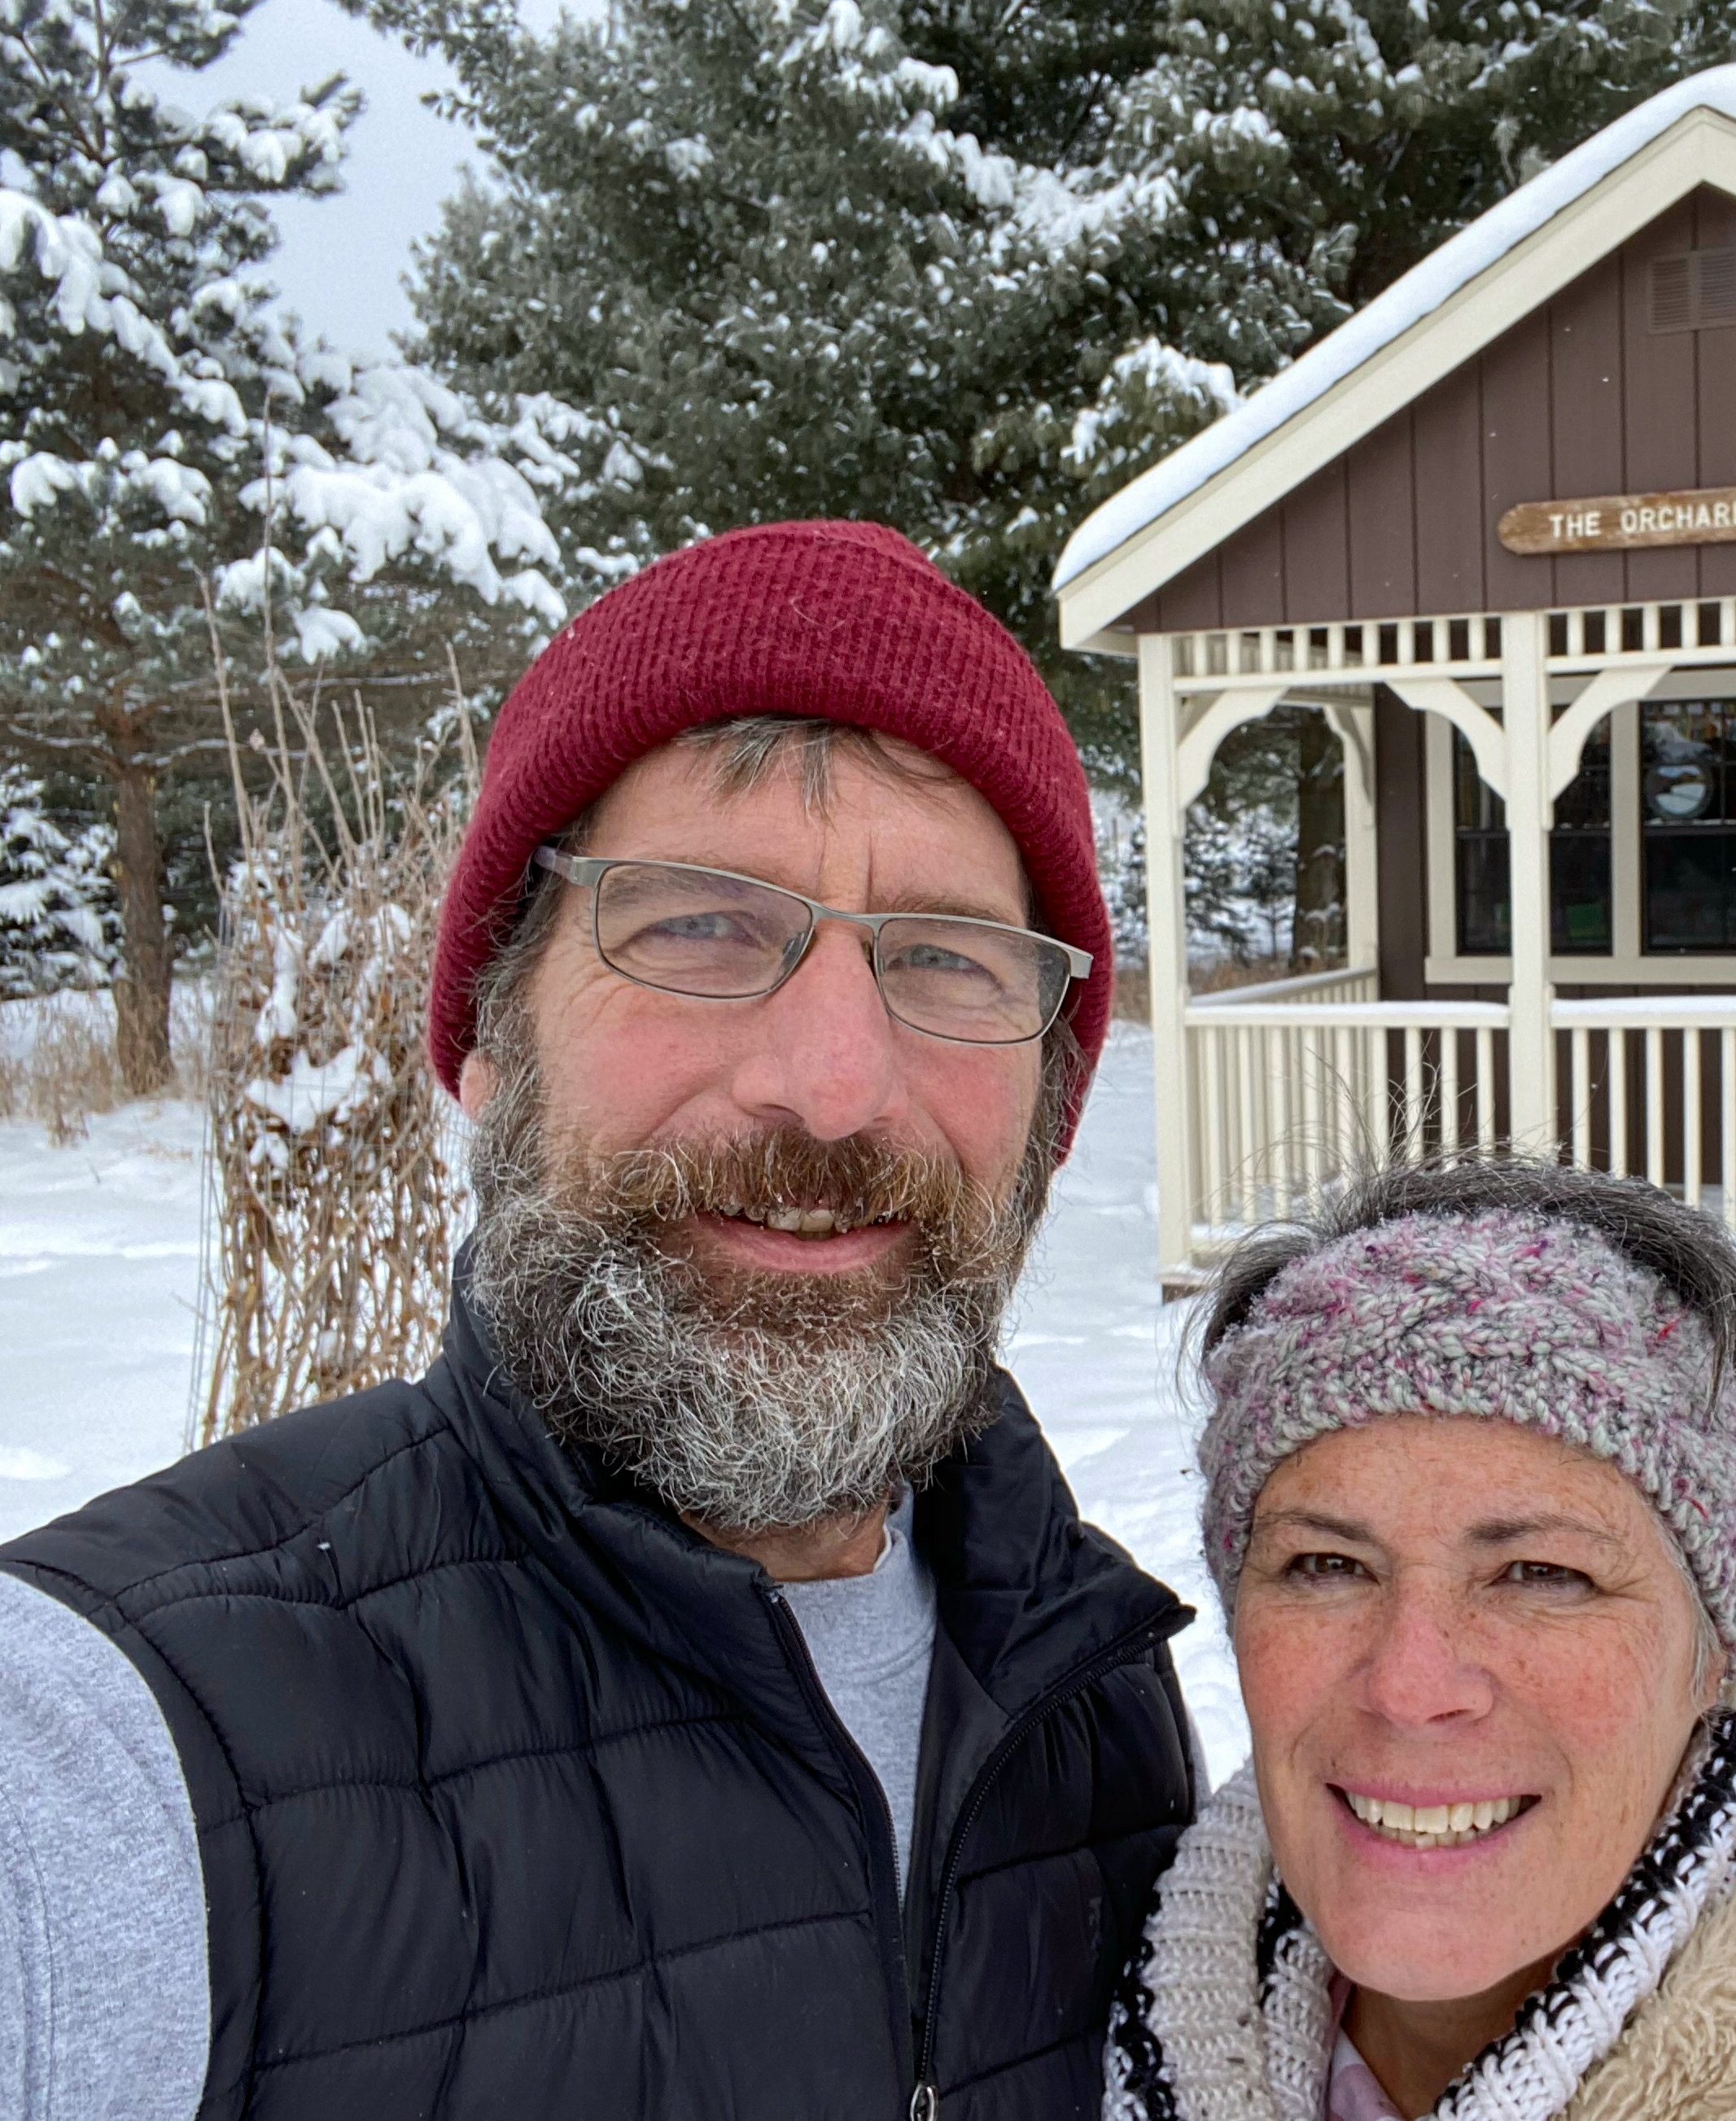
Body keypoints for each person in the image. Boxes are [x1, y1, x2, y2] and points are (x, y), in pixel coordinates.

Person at [0, 522, 1196, 2121]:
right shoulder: (111, 1755)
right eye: (699, 923)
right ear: (495, 1032)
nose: (832, 1083)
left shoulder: (1098, 1702)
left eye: (944, 956)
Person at [1108, 1157, 1736, 2121]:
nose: (1409, 1682)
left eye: (1543, 1574)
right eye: (1326, 1564)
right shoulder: (1053, 2029)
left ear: (1713, 1655)